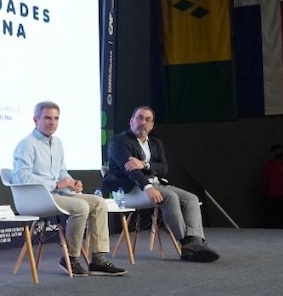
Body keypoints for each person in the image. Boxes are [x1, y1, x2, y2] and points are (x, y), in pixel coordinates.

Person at [13, 101, 128, 276]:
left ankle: (98, 259)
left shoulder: (57, 143)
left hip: (58, 194)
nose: (52, 122)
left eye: (56, 118)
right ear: (35, 120)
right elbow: (21, 177)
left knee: (98, 202)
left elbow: (61, 171)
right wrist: (57, 184)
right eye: (47, 118)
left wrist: (71, 183)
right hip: (37, 198)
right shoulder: (26, 144)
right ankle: (70, 259)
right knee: (80, 207)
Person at [102, 106, 219, 262]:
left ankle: (195, 241)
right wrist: (148, 188)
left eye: (147, 120)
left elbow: (163, 168)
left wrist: (144, 165)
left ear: (152, 125)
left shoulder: (156, 143)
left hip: (156, 185)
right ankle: (186, 243)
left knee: (191, 198)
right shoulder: (119, 141)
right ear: (131, 121)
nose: (143, 122)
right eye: (139, 118)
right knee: (169, 197)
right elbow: (131, 171)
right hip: (130, 190)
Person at [261, 144, 283, 229]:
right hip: (272, 195)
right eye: (277, 151)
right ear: (272, 153)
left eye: (281, 151)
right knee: (273, 216)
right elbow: (265, 180)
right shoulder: (268, 166)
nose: (279, 153)